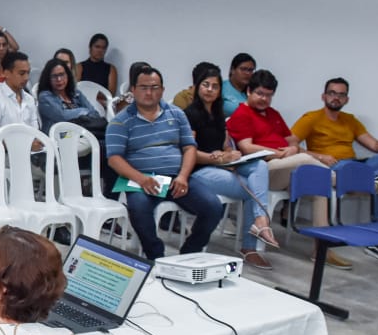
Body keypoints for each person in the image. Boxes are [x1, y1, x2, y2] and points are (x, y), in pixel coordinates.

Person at [225, 69, 347, 268]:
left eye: (269, 95)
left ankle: (321, 249)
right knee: (305, 160)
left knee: (319, 185)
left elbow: (292, 142)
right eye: (260, 94)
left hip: (286, 167)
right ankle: (341, 180)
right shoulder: (242, 114)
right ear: (248, 91)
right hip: (264, 169)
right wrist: (279, 152)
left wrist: (291, 149)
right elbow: (246, 147)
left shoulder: (274, 114)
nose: (264, 99)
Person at [106, 65, 222, 261]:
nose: (149, 92)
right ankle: (156, 257)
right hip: (140, 179)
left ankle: (188, 254)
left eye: (155, 87)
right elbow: (114, 159)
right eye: (144, 87)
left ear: (162, 89)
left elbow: (189, 148)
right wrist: (141, 179)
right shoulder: (120, 121)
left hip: (176, 177)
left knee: (213, 207)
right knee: (139, 209)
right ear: (133, 90)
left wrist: (184, 176)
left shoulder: (176, 114)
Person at [290, 77, 378, 246]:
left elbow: (374, 145)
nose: (336, 98)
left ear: (347, 99)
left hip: (356, 165)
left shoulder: (350, 120)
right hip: (335, 166)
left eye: (341, 95)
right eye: (332, 93)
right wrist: (319, 156)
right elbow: (289, 144)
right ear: (323, 96)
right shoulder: (311, 118)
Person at [184, 63, 279, 270]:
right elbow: (188, 153)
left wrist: (230, 153)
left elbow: (225, 145)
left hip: (222, 166)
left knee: (259, 166)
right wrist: (216, 158)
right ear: (198, 87)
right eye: (205, 85)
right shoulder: (189, 114)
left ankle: (260, 222)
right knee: (251, 189)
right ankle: (250, 245)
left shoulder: (218, 115)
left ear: (220, 91)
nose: (210, 90)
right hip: (199, 171)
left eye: (215, 86)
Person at [38, 56, 113, 195]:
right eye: (54, 76)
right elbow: (62, 116)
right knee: (102, 147)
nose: (59, 80)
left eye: (62, 75)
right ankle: (98, 193)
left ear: (68, 75)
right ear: (48, 78)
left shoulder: (75, 93)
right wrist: (82, 112)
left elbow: (95, 114)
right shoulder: (45, 97)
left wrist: (78, 114)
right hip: (60, 142)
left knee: (111, 151)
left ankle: (106, 195)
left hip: (83, 140)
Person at [0, 51, 40, 135]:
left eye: (28, 73)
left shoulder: (29, 99)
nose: (26, 78)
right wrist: (25, 143)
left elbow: (35, 131)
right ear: (6, 73)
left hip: (29, 146)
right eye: (21, 73)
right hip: (4, 147)